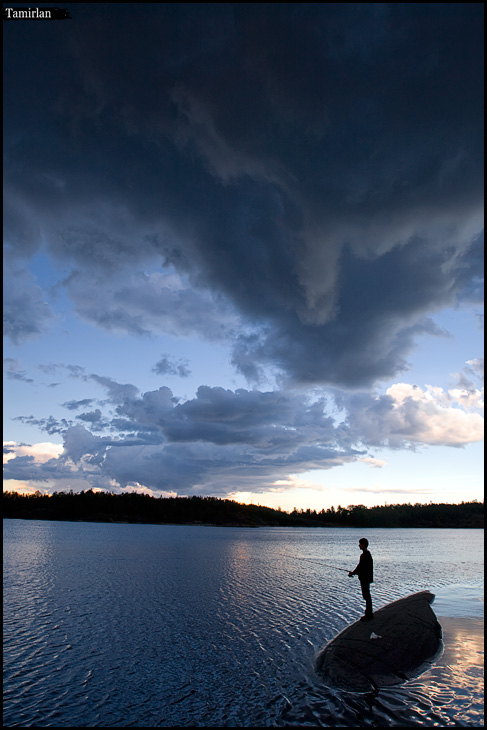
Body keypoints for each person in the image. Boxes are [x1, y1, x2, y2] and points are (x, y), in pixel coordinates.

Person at [348, 537, 374, 621]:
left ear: (363, 545)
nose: (359, 545)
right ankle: (369, 613)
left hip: (365, 578)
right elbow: (362, 567)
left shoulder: (364, 555)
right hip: (367, 578)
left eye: (360, 544)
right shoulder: (367, 554)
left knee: (366, 596)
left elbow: (360, 567)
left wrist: (353, 573)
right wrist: (354, 572)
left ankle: (368, 615)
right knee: (367, 596)